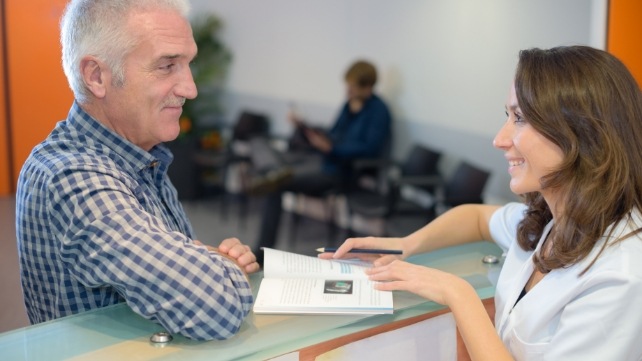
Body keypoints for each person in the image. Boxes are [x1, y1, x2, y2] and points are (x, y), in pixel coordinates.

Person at [322, 46, 642, 360]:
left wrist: (459, 295)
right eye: (508, 115)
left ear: (582, 134)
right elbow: (475, 218)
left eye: (519, 118)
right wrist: (404, 244)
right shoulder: (549, 221)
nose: (500, 139)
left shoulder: (621, 273)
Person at [15, 0, 259, 341]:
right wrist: (223, 268)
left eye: (187, 64)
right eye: (166, 66)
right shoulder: (74, 177)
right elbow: (215, 307)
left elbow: (181, 273)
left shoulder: (140, 156)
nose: (190, 88)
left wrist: (205, 263)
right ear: (97, 76)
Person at [253, 60, 392, 263]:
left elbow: (370, 149)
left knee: (276, 185)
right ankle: (274, 171)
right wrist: (307, 128)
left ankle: (262, 253)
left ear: (367, 87)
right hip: (321, 159)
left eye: (353, 87)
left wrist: (333, 149)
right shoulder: (349, 106)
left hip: (340, 172)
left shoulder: (379, 112)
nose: (348, 91)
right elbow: (334, 133)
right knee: (258, 142)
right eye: (348, 86)